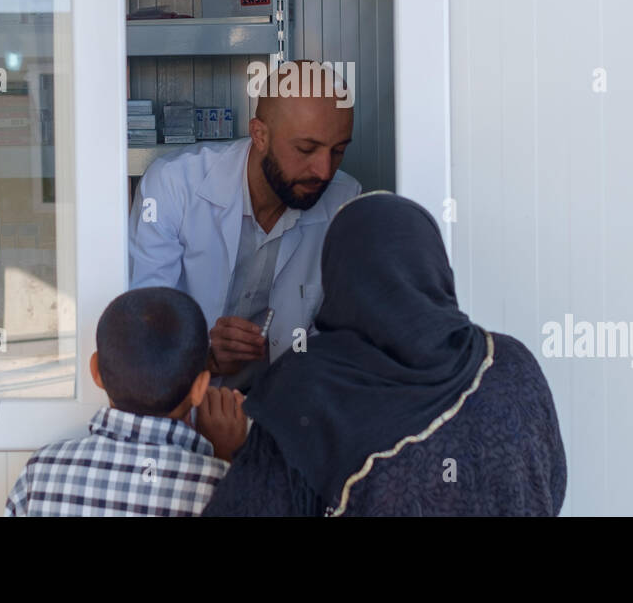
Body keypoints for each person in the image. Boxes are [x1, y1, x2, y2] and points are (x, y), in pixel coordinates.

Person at [201, 192, 567, 517]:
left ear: (339, 280)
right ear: (436, 268)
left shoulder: (304, 390)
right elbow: (551, 486)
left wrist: (229, 454)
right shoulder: (510, 364)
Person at [128, 61, 360, 392]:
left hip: (283, 411)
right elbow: (143, 331)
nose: (324, 171)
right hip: (180, 401)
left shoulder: (344, 201)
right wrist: (203, 355)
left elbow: (340, 339)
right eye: (306, 149)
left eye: (338, 151)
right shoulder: (174, 185)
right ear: (259, 134)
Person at [5, 287, 248, 516]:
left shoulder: (42, 470)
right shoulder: (219, 482)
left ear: (95, 371)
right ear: (200, 388)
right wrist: (228, 460)